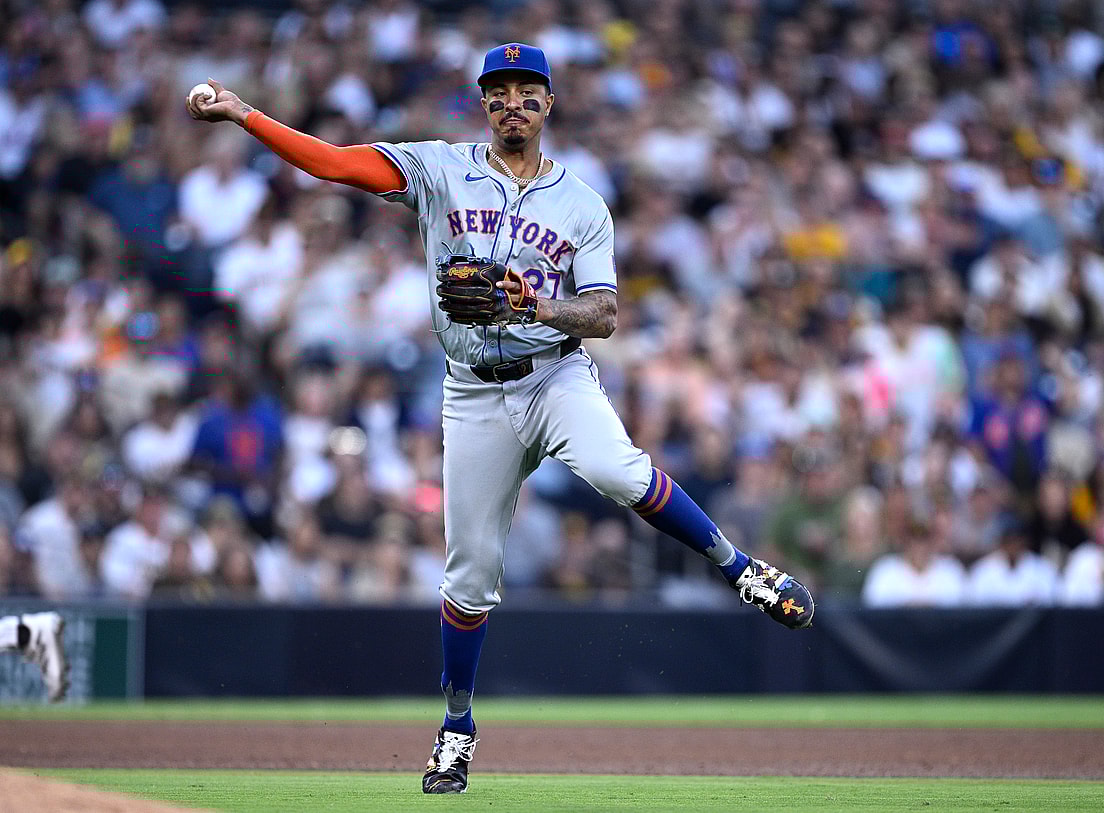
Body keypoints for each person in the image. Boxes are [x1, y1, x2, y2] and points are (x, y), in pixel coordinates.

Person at [187, 41, 814, 795]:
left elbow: (606, 314)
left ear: (549, 104)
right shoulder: (438, 169)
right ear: (484, 105)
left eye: (527, 90)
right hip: (472, 390)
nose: (512, 102)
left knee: (618, 467)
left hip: (554, 373)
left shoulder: (582, 203)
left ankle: (741, 570)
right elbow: (331, 162)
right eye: (499, 91)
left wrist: (535, 304)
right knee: (470, 574)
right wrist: (246, 114)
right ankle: (457, 725)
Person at [0, 612, 69, 701]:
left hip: (42, 629)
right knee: (55, 672)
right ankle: (57, 697)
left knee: (55, 673)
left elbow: (23, 633)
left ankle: (57, 698)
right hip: (43, 628)